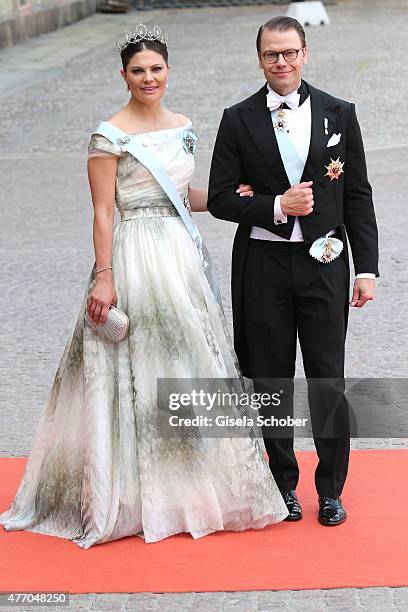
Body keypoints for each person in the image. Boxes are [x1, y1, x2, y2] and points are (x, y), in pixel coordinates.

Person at [0, 24, 289, 549]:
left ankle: (194, 486)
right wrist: (104, 276)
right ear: (124, 75)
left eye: (156, 69)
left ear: (168, 72)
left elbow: (179, 195)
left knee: (189, 359)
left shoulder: (182, 126)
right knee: (139, 366)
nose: (148, 78)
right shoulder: (108, 135)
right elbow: (104, 210)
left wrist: (233, 195)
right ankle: (136, 490)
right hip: (134, 258)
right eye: (138, 70)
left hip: (179, 256)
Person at [208, 16, 379, 526]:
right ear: (259, 59)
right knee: (271, 379)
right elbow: (219, 197)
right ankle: (282, 484)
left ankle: (330, 489)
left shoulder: (339, 114)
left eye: (289, 53)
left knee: (328, 379)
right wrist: (275, 205)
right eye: (270, 55)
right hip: (262, 266)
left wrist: (366, 269)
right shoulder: (237, 118)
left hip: (325, 265)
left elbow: (358, 195)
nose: (280, 62)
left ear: (305, 53)